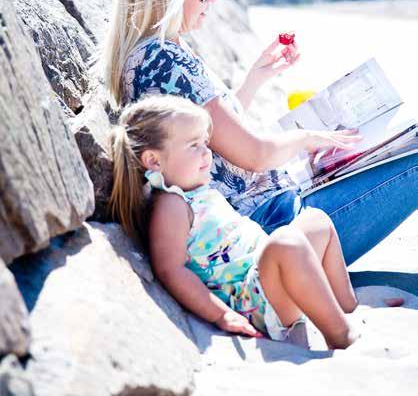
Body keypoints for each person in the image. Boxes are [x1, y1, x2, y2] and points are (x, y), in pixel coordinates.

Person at [102, 0, 418, 266]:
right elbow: (254, 153)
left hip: (271, 213)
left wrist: (256, 77)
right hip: (274, 228)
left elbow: (214, 134)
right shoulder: (166, 59)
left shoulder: (150, 55)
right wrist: (311, 138)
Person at [108, 94, 359, 348]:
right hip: (252, 299)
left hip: (268, 278)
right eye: (193, 145)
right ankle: (339, 335)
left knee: (316, 220)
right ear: (154, 161)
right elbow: (171, 270)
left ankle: (345, 307)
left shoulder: (195, 192)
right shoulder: (171, 205)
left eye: (205, 143)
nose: (206, 153)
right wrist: (221, 314)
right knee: (287, 241)